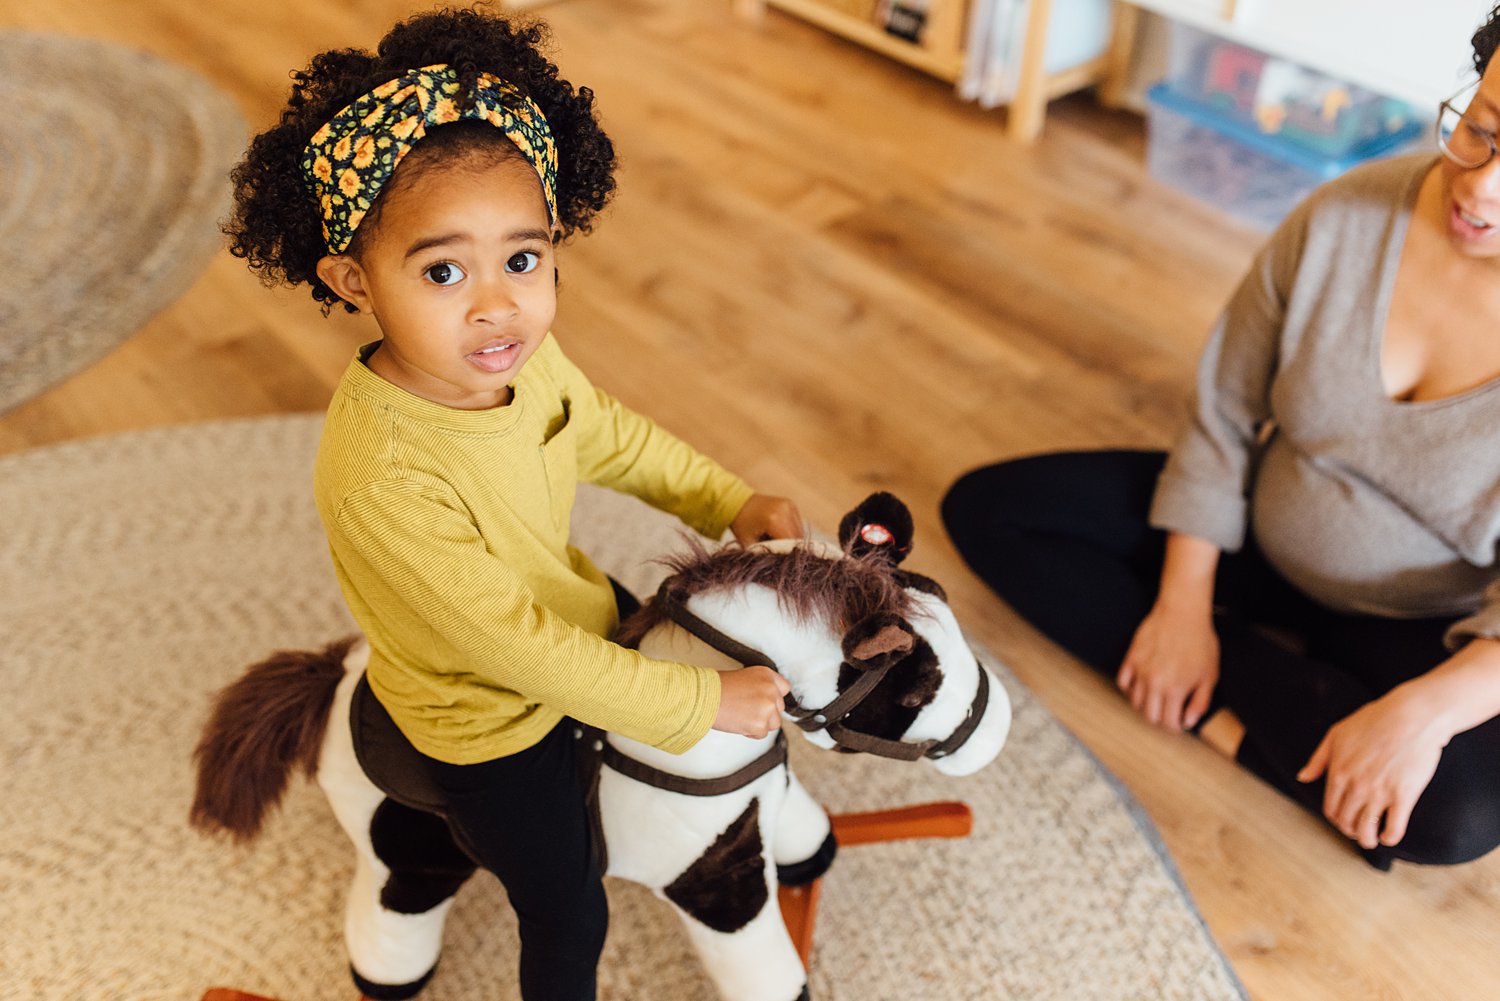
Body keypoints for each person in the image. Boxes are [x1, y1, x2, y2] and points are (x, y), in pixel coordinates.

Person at [223, 7, 801, 999]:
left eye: (523, 259)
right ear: (352, 278)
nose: (497, 303)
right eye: (444, 270)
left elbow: (607, 431)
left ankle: (772, 819)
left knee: (681, 621)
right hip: (483, 709)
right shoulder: (381, 472)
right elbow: (515, 648)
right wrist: (699, 703)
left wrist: (725, 495)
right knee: (569, 902)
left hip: (562, 599)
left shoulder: (518, 358)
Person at [942, 6, 1500, 871]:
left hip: (1421, 616)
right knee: (992, 510)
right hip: (1259, 528)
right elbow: (1222, 407)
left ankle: (1228, 692)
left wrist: (1423, 713)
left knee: (1458, 815)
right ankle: (1242, 700)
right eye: (1481, 129)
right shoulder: (1347, 213)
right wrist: (1181, 602)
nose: (1478, 186)